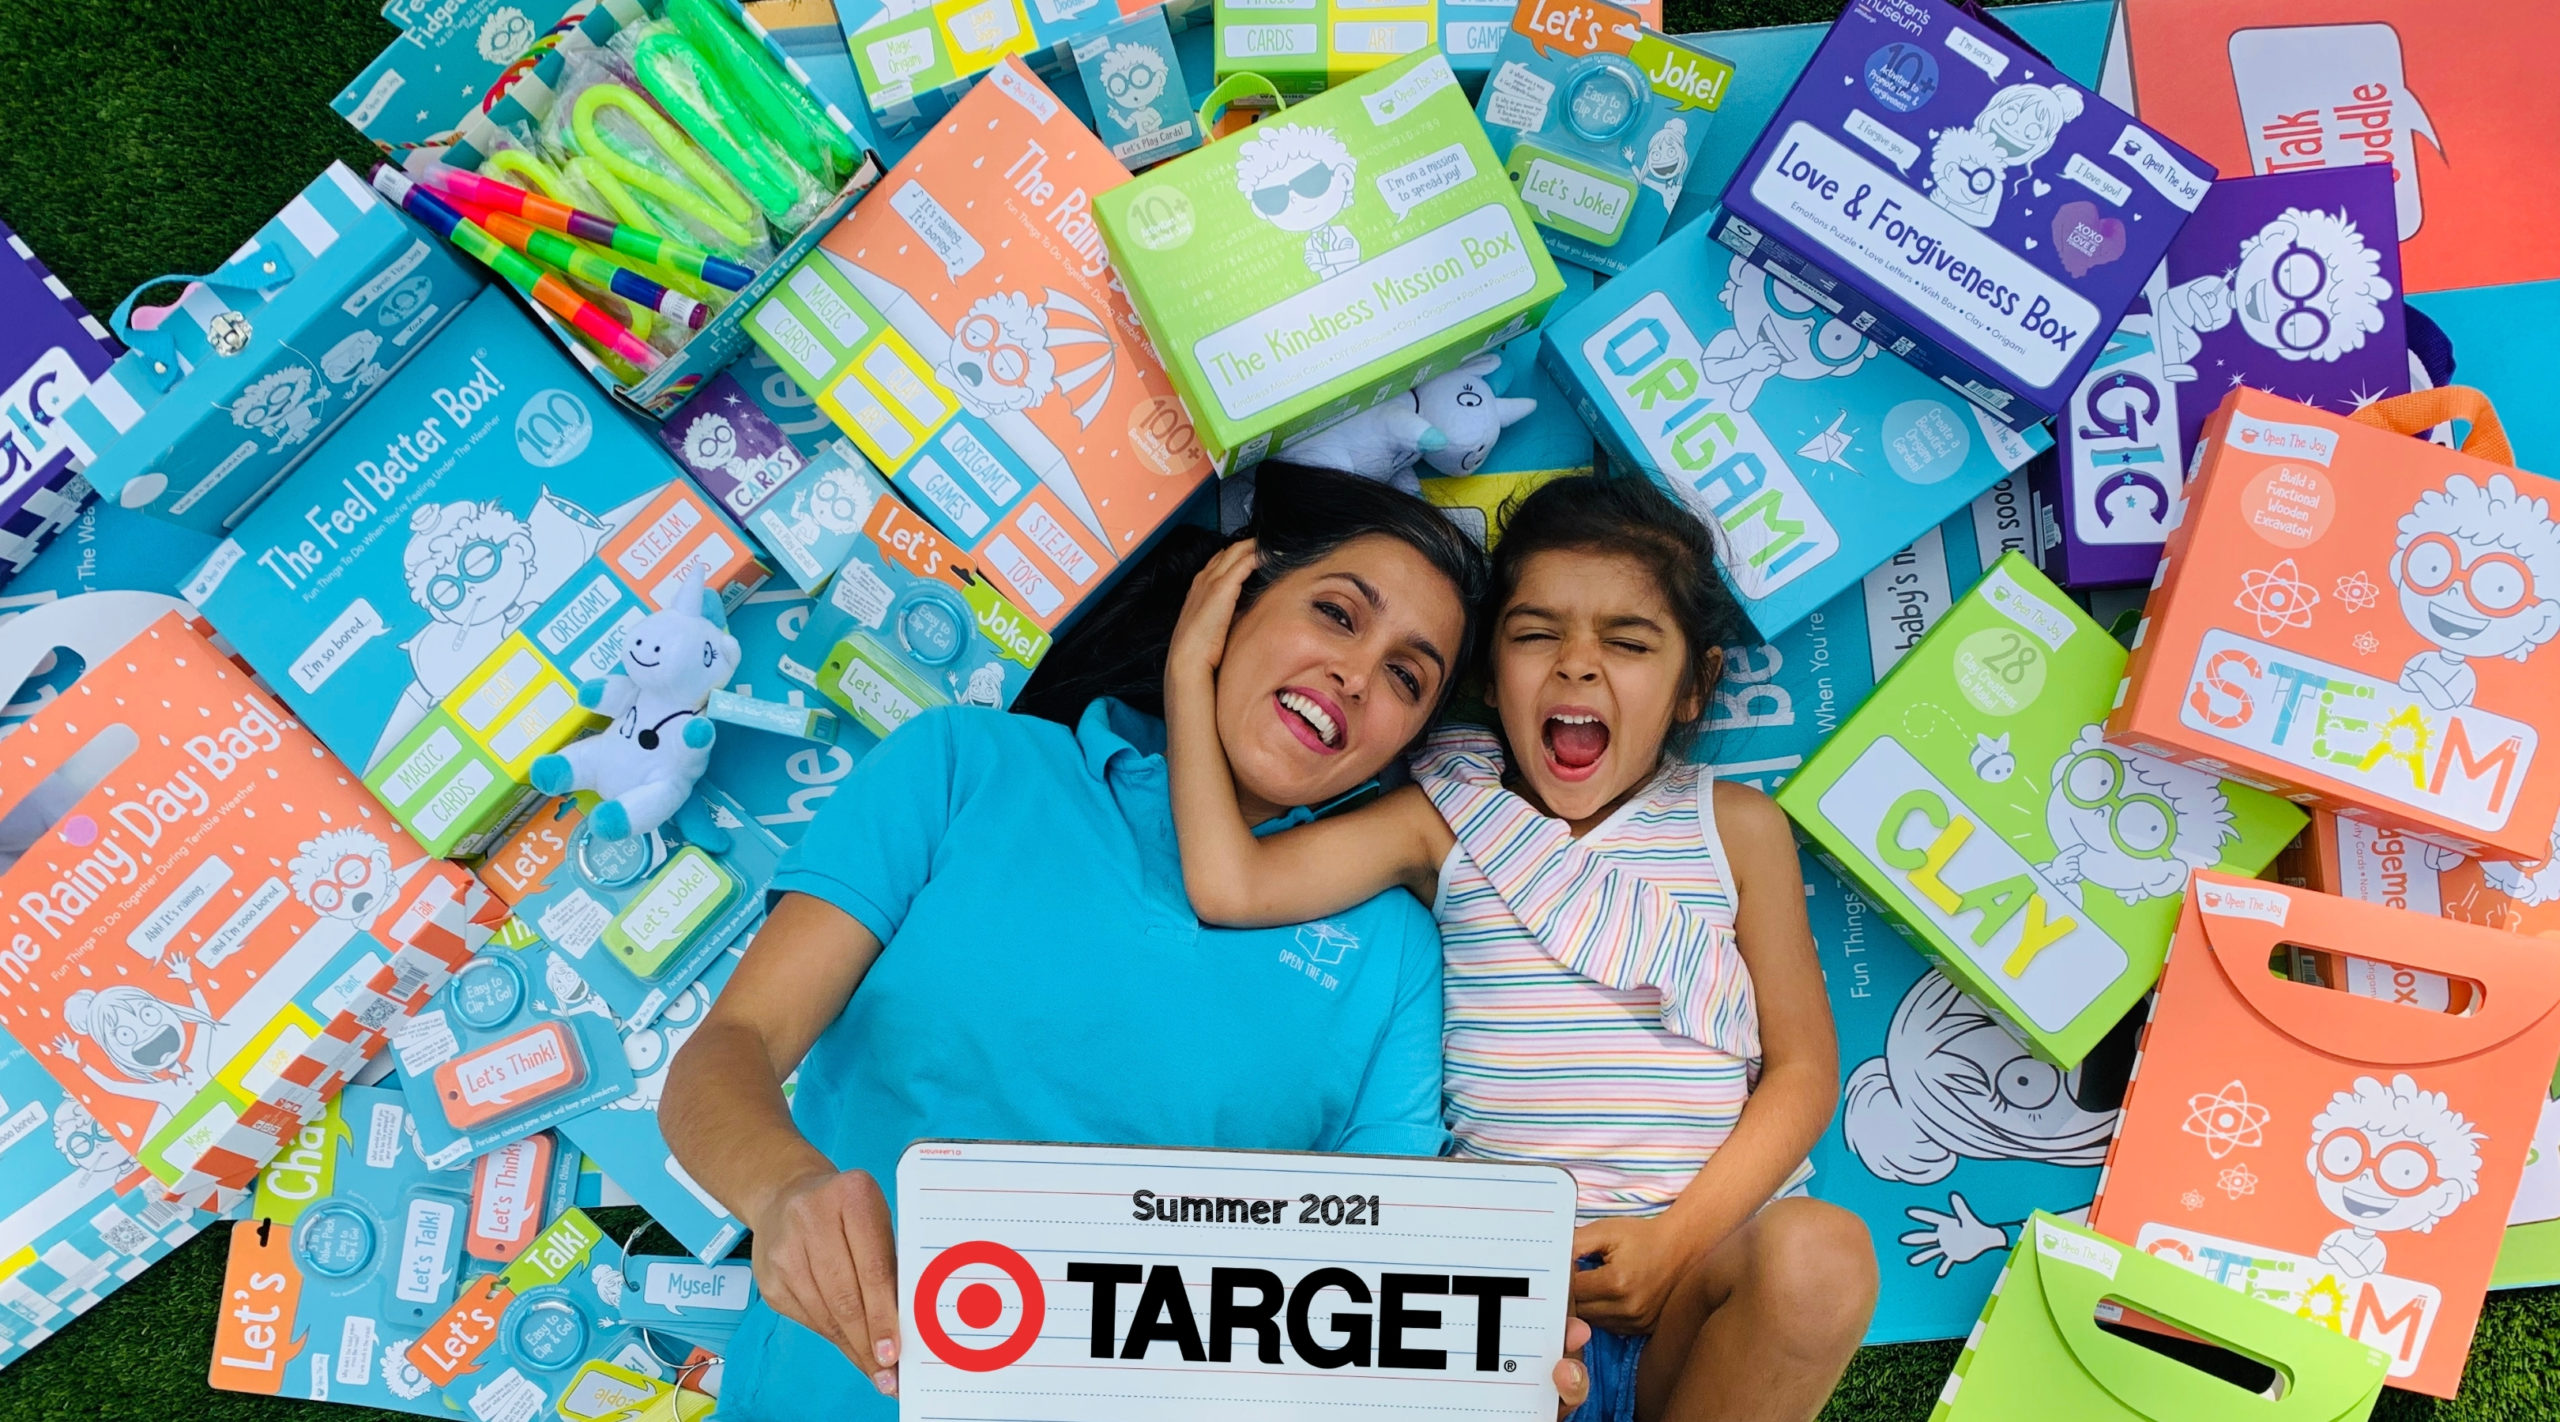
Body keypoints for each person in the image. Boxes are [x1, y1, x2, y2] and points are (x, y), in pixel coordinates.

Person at [662, 466, 1593, 1418]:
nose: (1357, 676)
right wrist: (781, 1190)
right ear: (1230, 598)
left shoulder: (1393, 957)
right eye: (1337, 614)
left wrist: (1482, 1373)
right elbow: (729, 1050)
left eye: (1407, 677)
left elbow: (1372, 1290)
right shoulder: (964, 766)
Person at [1167, 473, 1877, 1422]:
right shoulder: (1444, 820)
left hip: (1693, 1285)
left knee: (1822, 1257)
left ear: (1694, 687)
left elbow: (1803, 1070)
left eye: (1628, 642)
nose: (1577, 667)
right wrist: (1188, 672)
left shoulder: (1737, 828)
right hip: (1499, 1301)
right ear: (1488, 674)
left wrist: (1673, 1244)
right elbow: (1231, 885)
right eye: (1537, 634)